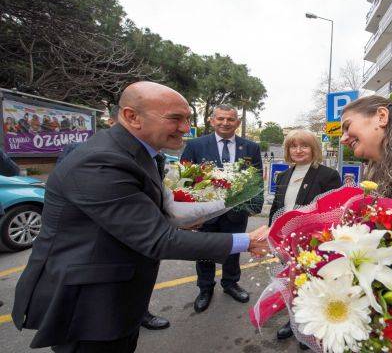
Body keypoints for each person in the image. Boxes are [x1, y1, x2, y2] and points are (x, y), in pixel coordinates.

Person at [12, 81, 269, 352]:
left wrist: (177, 218)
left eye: (187, 119)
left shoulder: (141, 154)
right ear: (132, 117)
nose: (185, 128)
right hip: (90, 307)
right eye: (175, 119)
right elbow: (157, 240)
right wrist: (246, 241)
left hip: (119, 296)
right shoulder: (101, 161)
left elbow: (135, 212)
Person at [54, 105, 170, 330]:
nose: (183, 127)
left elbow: (150, 195)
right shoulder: (89, 154)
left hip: (137, 248)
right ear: (125, 119)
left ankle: (140, 313)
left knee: (133, 292)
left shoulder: (155, 156)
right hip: (96, 262)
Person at [181, 104, 263, 314]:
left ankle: (230, 284)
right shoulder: (196, 145)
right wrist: (188, 213)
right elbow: (184, 180)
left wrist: (254, 206)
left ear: (237, 122)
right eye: (220, 119)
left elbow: (257, 179)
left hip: (236, 213)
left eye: (230, 119)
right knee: (204, 251)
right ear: (212, 120)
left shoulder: (251, 147)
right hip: (204, 214)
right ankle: (205, 288)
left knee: (235, 250)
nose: (225, 123)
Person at [269, 129, 341, 344]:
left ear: (314, 149)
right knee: (292, 281)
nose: (298, 150)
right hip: (285, 240)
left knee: (313, 283)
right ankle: (294, 321)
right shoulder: (283, 175)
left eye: (304, 145)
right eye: (293, 146)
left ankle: (310, 328)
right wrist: (272, 235)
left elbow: (332, 212)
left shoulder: (328, 175)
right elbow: (277, 208)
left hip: (314, 241)